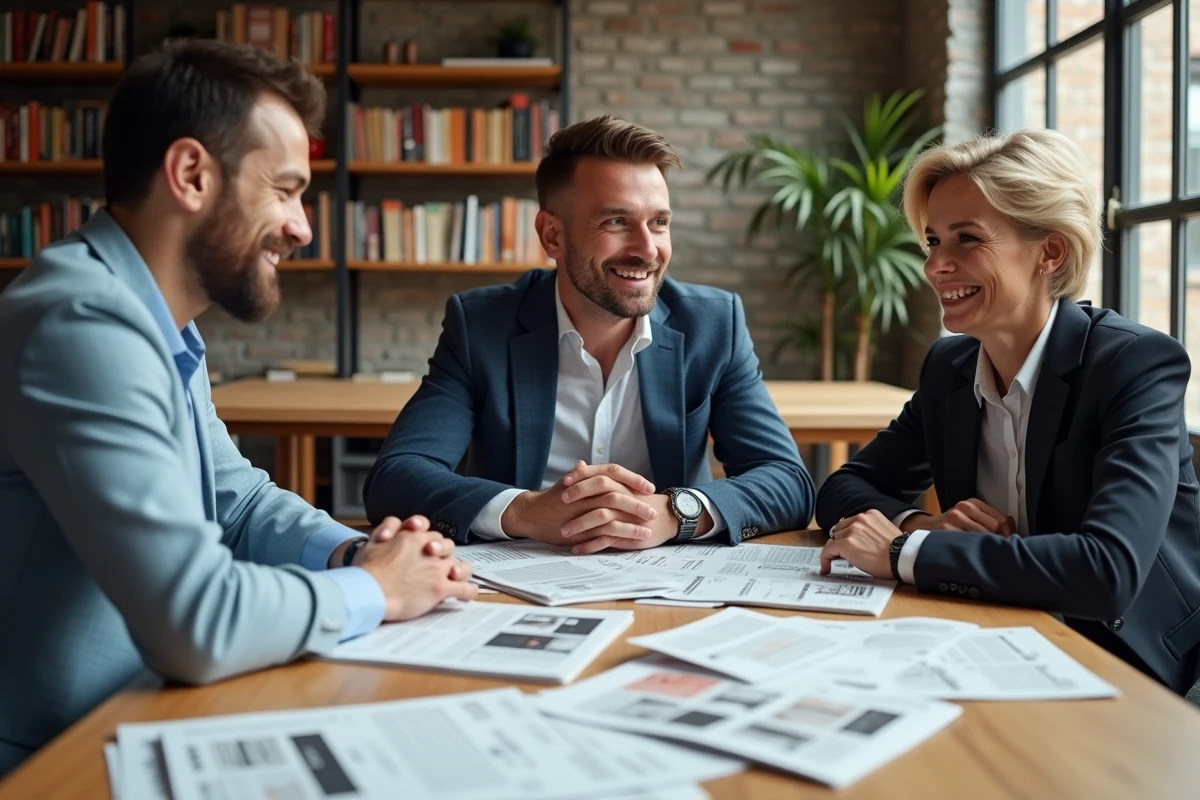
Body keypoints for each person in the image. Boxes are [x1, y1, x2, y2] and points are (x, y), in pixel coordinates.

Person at [0, 40, 477, 776]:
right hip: (55, 759)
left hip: (141, 711)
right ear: (191, 174)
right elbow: (196, 619)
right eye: (284, 190)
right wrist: (377, 588)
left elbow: (240, 501)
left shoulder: (155, 318)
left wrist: (354, 551)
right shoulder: (79, 320)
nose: (302, 227)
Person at [815, 128, 1200, 696]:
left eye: (966, 239)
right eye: (932, 241)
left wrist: (903, 552)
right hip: (999, 631)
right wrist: (922, 525)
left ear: (1050, 250)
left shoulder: (1134, 364)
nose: (936, 266)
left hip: (1135, 663)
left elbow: (1107, 573)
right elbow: (846, 486)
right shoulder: (951, 367)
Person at [363, 115, 813, 552]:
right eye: (616, 221)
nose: (647, 249)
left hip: (671, 578)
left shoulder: (713, 324)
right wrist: (525, 511)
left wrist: (675, 513)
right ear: (552, 235)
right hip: (520, 576)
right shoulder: (481, 325)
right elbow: (397, 477)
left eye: (659, 222)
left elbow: (786, 480)